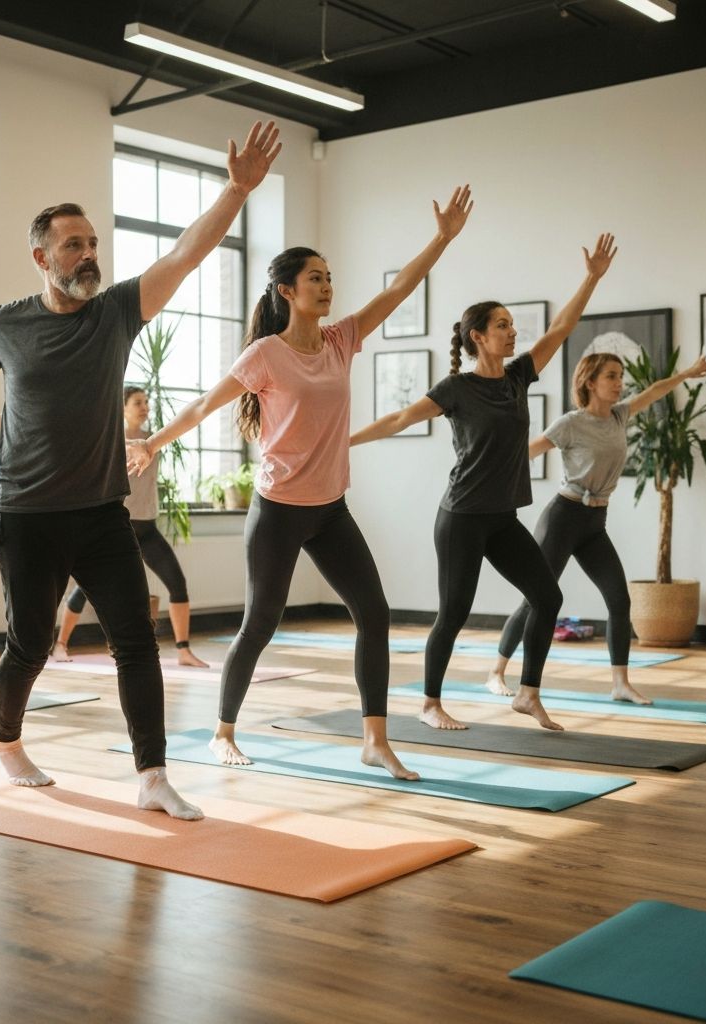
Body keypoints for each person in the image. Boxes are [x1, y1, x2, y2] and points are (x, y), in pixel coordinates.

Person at [0, 121, 281, 819]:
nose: (90, 253)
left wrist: (236, 191)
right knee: (30, 644)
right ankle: (6, 741)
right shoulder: (8, 323)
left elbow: (188, 254)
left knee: (134, 638)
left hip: (100, 512)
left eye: (94, 242)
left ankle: (152, 775)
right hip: (28, 515)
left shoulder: (117, 313)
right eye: (75, 244)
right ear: (42, 255)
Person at [128, 186, 475, 777]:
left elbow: (397, 291)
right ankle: (223, 731)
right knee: (260, 623)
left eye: (329, 276)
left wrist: (441, 238)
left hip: (331, 508)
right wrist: (153, 443)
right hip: (279, 508)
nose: (326, 284)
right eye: (315, 277)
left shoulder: (340, 340)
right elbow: (204, 406)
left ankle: (374, 738)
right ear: (287, 291)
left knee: (375, 612)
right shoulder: (265, 353)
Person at [351, 233, 618, 732]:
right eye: (502, 326)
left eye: (513, 326)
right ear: (478, 335)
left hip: (501, 517)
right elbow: (400, 419)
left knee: (548, 597)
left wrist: (592, 278)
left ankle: (528, 693)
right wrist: (341, 443)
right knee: (454, 612)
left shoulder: (517, 377)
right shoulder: (457, 388)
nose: (512, 333)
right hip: (462, 518)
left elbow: (562, 327)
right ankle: (430, 702)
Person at [486, 350, 706, 703]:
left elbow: (654, 391)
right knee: (536, 600)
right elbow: (529, 451)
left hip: (594, 523)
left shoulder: (620, 416)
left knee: (619, 601)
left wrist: (687, 373)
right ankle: (496, 672)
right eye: (611, 376)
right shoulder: (570, 423)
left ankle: (620, 684)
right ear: (590, 382)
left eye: (620, 376)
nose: (619, 383)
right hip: (563, 517)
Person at [53, 385, 208, 668]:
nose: (144, 407)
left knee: (177, 583)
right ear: (123, 408)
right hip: (117, 528)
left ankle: (184, 650)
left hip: (147, 528)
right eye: (138, 402)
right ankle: (60, 645)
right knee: (83, 590)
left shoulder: (153, 439)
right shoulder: (111, 439)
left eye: (146, 402)